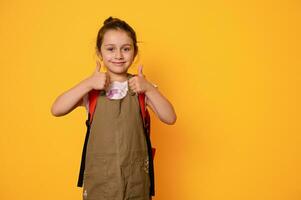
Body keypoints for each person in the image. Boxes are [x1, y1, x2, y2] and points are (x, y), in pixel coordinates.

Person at [51, 16, 176, 200]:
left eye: (125, 49)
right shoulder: (91, 90)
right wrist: (87, 83)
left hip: (135, 182)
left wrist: (148, 87)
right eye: (110, 49)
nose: (118, 55)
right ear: (99, 53)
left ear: (135, 52)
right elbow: (57, 109)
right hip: (100, 183)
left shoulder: (141, 87)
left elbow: (170, 117)